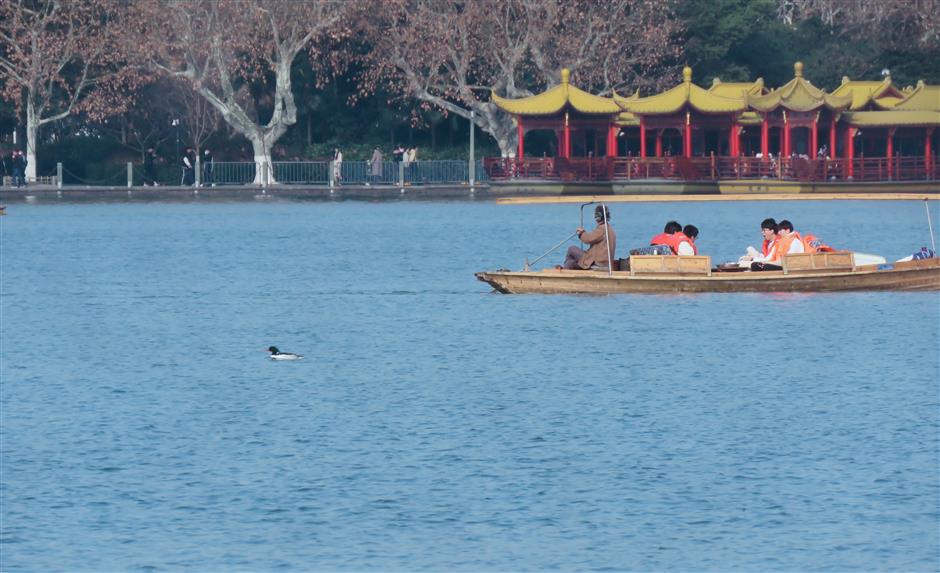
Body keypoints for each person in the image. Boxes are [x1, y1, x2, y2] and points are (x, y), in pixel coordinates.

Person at [559, 205, 617, 270]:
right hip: (603, 261)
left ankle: (565, 271)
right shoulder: (609, 228)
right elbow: (593, 237)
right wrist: (584, 233)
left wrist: (581, 233)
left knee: (571, 249)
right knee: (570, 263)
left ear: (598, 216)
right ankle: (566, 271)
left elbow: (588, 239)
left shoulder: (602, 229)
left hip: (597, 262)